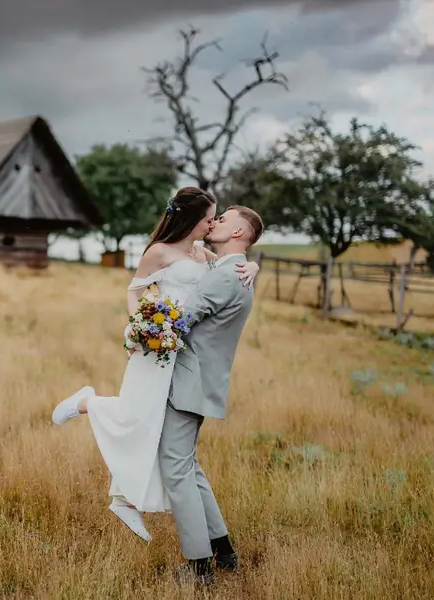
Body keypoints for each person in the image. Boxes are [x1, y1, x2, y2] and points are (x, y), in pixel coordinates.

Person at [51, 187, 260, 544]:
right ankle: (87, 406)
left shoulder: (200, 252)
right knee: (138, 418)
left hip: (177, 347)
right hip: (158, 344)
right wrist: (138, 332)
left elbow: (229, 266)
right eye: (211, 217)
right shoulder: (159, 252)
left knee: (149, 428)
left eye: (218, 219)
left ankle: (128, 498)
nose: (213, 223)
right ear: (194, 219)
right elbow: (134, 291)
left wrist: (251, 263)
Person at [159, 204, 264, 587]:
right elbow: (203, 258)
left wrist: (145, 325)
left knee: (176, 468)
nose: (215, 222)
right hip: (200, 382)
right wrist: (254, 263)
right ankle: (224, 551)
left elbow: (183, 319)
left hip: (191, 381)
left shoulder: (227, 276)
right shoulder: (233, 269)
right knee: (189, 466)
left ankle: (199, 567)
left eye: (224, 219)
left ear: (238, 233)